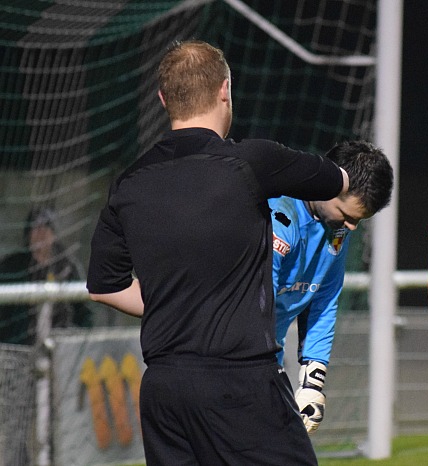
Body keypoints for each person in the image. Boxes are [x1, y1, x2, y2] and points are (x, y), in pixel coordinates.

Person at [86, 40, 349, 466]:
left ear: (163, 99)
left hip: (164, 390)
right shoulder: (253, 161)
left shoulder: (129, 182)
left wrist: (176, 303)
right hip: (241, 383)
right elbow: (337, 180)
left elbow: (103, 287)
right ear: (225, 89)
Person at [270, 139, 393, 434]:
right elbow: (254, 304)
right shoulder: (279, 218)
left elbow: (324, 300)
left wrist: (313, 382)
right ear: (327, 183)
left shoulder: (336, 229)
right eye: (347, 215)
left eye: (359, 220)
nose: (352, 227)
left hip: (260, 358)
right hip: (226, 358)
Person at [0, 207, 93, 345]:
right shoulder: (12, 266)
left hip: (58, 347)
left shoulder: (67, 267)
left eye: (45, 229)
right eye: (35, 229)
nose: (40, 235)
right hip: (18, 347)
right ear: (28, 234)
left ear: (53, 234)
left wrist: (77, 342)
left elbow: (84, 313)